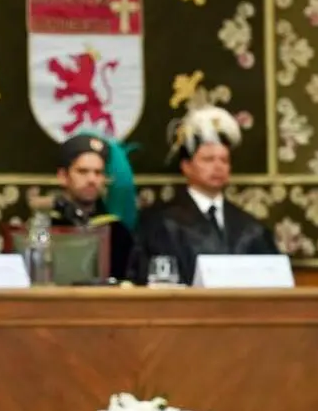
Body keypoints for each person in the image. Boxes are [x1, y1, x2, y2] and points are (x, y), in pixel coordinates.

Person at [127, 105, 279, 284]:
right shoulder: (160, 224)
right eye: (208, 159)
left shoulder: (250, 227)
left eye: (224, 160)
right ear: (186, 166)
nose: (218, 167)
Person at [48, 133, 133, 279]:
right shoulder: (45, 228)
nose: (92, 179)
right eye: (83, 171)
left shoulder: (118, 232)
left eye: (98, 173)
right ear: (63, 176)